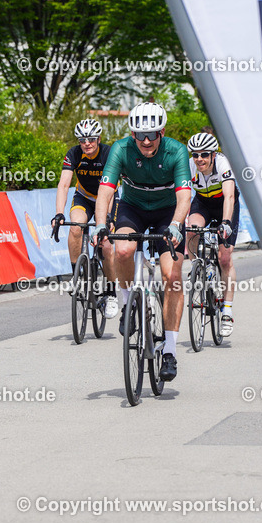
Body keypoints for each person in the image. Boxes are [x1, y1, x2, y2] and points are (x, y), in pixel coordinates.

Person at [94, 102, 193, 382]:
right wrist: (101, 224)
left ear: (162, 132)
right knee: (122, 250)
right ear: (132, 134)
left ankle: (170, 350)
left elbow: (185, 196)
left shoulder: (176, 151)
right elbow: (105, 190)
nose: (146, 141)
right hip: (133, 207)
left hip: (167, 212)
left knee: (171, 274)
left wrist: (175, 225)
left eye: (151, 135)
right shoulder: (121, 149)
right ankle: (127, 303)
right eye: (139, 135)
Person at [52, 118, 118, 318]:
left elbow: (112, 190)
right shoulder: (73, 154)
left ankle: (111, 293)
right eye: (82, 140)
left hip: (106, 197)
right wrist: (59, 213)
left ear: (98, 138)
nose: (86, 143)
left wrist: (106, 218)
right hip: (84, 197)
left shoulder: (108, 153)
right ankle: (76, 275)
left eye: (90, 139)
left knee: (105, 244)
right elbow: (64, 185)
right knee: (75, 227)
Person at [185, 132, 239, 338]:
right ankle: (198, 266)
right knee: (191, 229)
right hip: (203, 203)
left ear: (213, 155)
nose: (200, 159)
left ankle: (226, 310)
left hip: (225, 206)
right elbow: (181, 193)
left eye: (204, 155)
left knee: (225, 258)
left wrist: (226, 223)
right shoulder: (190, 165)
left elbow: (229, 196)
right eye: (196, 155)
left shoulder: (223, 164)